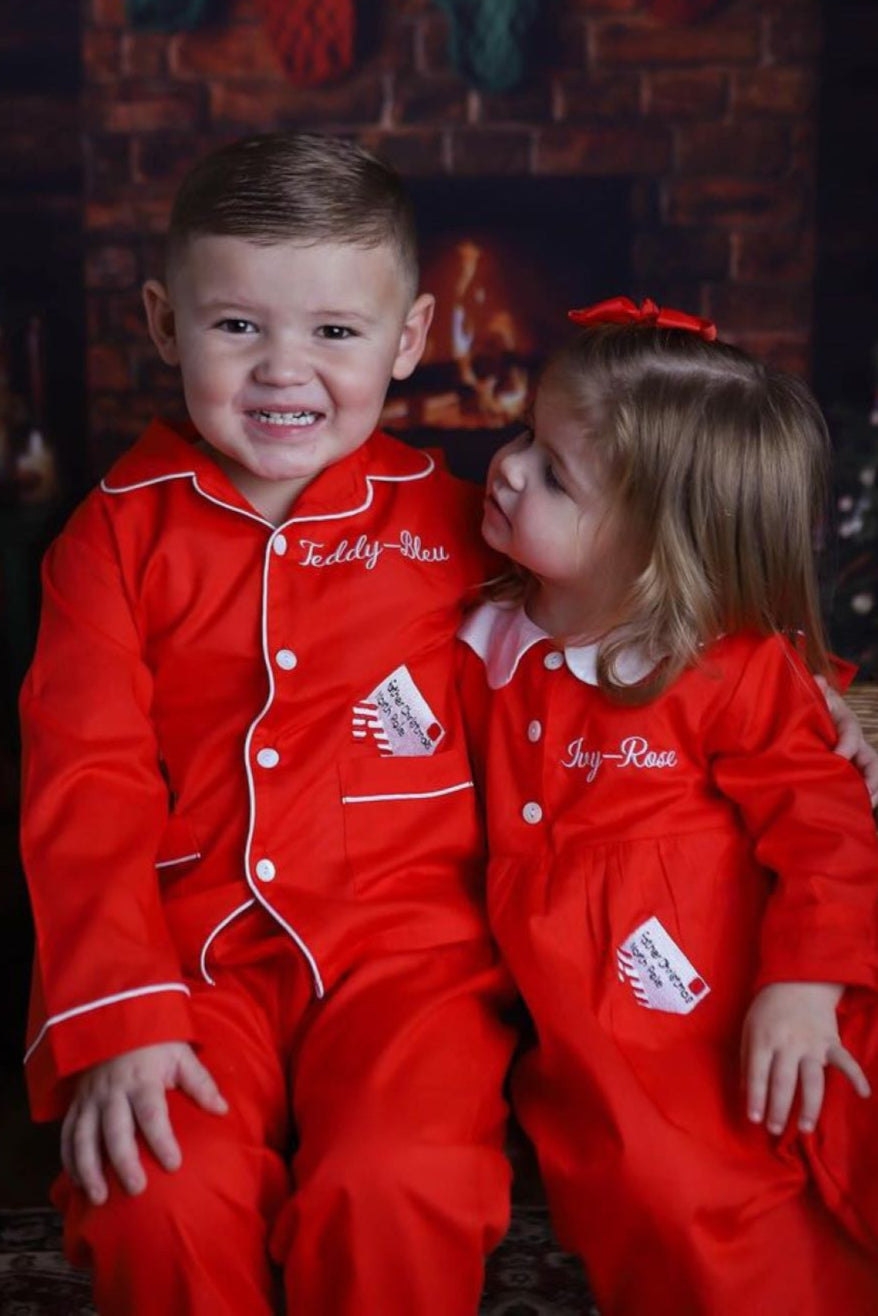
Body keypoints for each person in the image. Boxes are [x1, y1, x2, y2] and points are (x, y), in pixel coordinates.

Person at [18, 132, 518, 1316]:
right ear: (164, 323)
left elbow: (627, 638)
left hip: (414, 966)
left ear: (408, 338)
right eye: (237, 324)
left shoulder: (471, 528)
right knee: (157, 1193)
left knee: (395, 1181)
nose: (283, 370)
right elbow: (84, 782)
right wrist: (120, 1016)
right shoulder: (110, 540)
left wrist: (791, 693)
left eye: (335, 330)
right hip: (189, 961)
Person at [457, 297, 878, 1315]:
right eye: (522, 434)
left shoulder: (724, 666)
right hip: (597, 1017)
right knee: (667, 1191)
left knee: (841, 1120)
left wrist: (806, 981)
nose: (507, 468)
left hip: (756, 964)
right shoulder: (474, 627)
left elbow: (826, 830)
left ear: (656, 544)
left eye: (553, 474)